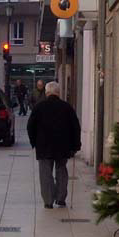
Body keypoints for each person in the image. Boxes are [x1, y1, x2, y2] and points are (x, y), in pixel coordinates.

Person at [27, 81, 81, 209]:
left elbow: (30, 126)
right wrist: (75, 145)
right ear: (58, 93)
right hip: (63, 145)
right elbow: (75, 127)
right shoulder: (67, 107)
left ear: (46, 93)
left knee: (45, 172)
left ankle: (48, 200)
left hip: (43, 145)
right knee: (61, 169)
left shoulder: (39, 107)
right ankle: (61, 198)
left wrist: (33, 141)